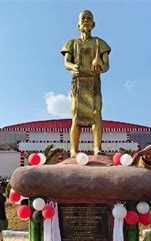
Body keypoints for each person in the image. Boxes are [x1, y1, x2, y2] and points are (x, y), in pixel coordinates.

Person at [61, 10, 111, 157]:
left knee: (96, 114)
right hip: (78, 83)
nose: (86, 21)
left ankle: (97, 148)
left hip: (94, 82)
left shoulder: (99, 43)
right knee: (76, 116)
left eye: (89, 18)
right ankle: (73, 150)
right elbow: (66, 62)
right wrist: (72, 67)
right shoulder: (72, 43)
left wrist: (100, 67)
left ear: (93, 24)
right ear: (78, 24)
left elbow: (107, 66)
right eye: (83, 18)